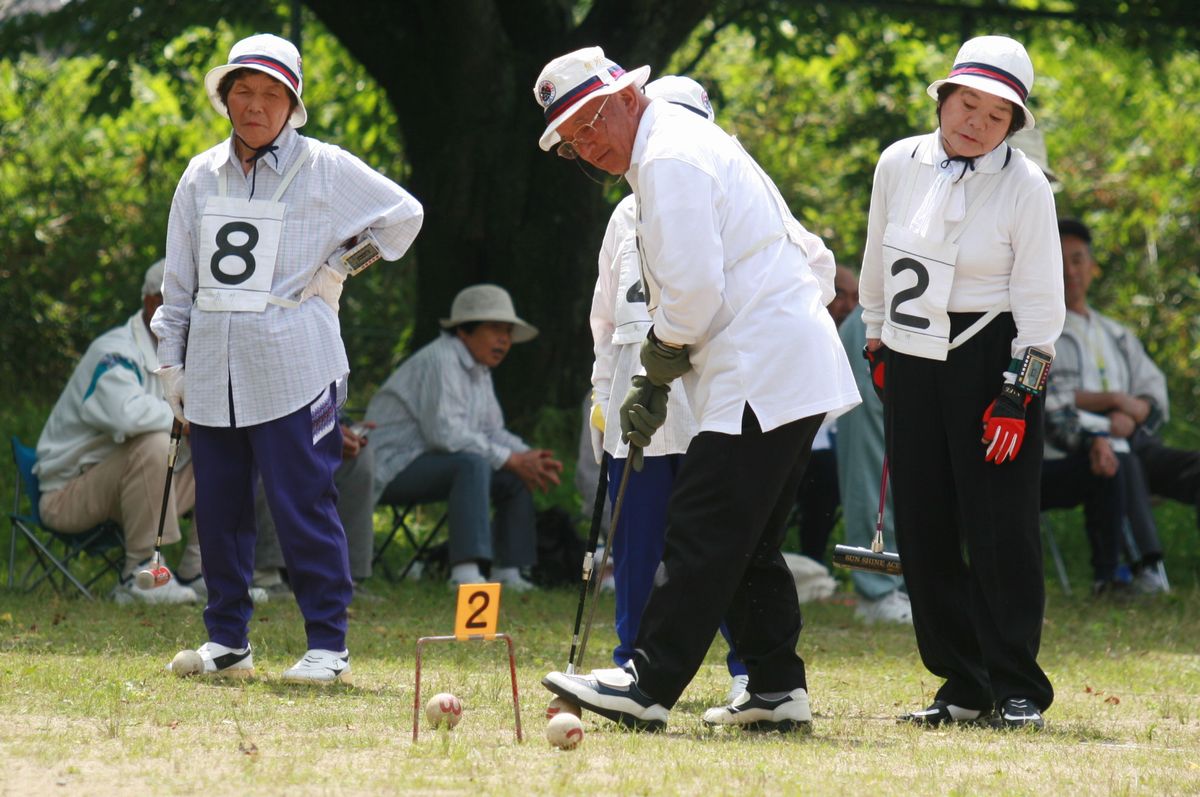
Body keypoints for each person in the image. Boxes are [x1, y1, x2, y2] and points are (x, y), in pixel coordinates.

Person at [534, 47, 859, 732]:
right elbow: (809, 257)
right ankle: (774, 687)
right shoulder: (680, 148)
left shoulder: (667, 157)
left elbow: (694, 292)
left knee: (704, 527)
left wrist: (657, 364)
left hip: (760, 368)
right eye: (573, 141)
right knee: (749, 540)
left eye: (592, 121)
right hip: (775, 364)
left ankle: (649, 681)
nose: (589, 144)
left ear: (627, 95)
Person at [151, 33, 424, 683]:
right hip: (214, 363)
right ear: (224, 97)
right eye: (242, 90)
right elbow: (180, 284)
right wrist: (171, 365)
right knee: (219, 508)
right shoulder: (200, 174)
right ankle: (227, 639)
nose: (254, 104)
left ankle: (328, 643)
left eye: (271, 93)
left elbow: (403, 216)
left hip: (294, 361)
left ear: (293, 103)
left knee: (303, 502)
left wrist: (337, 269)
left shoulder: (324, 166)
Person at [860, 35, 1064, 730]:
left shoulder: (1027, 186)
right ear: (944, 98)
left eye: (995, 115)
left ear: (1013, 126)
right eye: (966, 103)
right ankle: (963, 679)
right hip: (911, 357)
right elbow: (876, 263)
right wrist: (875, 339)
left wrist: (1018, 394)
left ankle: (1016, 684)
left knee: (1001, 526)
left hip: (991, 362)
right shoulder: (898, 162)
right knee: (925, 527)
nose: (974, 122)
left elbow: (1041, 311)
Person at [587, 75, 748, 704]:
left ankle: (747, 670)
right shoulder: (623, 214)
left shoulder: (728, 196)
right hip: (639, 401)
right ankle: (630, 661)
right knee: (635, 540)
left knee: (723, 539)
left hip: (709, 397)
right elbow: (604, 317)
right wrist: (601, 394)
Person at [366, 284, 563, 592]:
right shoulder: (441, 360)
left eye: (508, 332)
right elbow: (445, 435)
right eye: (495, 329)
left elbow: (491, 430)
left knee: (513, 476)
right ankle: (466, 572)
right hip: (388, 467)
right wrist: (511, 459)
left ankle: (508, 571)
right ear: (464, 331)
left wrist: (528, 458)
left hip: (431, 463)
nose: (505, 340)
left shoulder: (479, 369)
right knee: (472, 465)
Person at [34, 260, 200, 605]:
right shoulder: (113, 351)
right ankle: (139, 575)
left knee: (224, 450)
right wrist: (189, 421)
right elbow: (126, 416)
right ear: (154, 304)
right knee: (156, 443)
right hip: (69, 495)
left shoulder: (184, 354)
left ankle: (201, 572)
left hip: (134, 490)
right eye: (188, 303)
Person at [1045, 218, 1194, 594]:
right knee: (1117, 458)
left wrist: (1132, 412)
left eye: (1077, 260)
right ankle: (1143, 569)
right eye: (1059, 261)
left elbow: (1152, 389)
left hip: (1135, 438)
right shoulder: (1042, 335)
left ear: (1092, 266)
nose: (1069, 271)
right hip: (1075, 448)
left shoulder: (1116, 334)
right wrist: (1112, 404)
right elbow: (1051, 403)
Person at [836, 299, 912, 624]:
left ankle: (906, 587)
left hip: (917, 319)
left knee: (913, 472)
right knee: (869, 470)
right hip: (879, 320)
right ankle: (876, 592)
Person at [251, 421, 378, 601]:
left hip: (309, 435)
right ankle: (265, 578)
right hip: (265, 430)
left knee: (358, 458)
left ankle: (342, 579)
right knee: (270, 450)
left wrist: (338, 430)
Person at [791, 265, 860, 564]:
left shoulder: (858, 342)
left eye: (856, 297)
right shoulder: (802, 333)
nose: (848, 306)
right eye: (840, 295)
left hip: (835, 442)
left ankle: (815, 563)